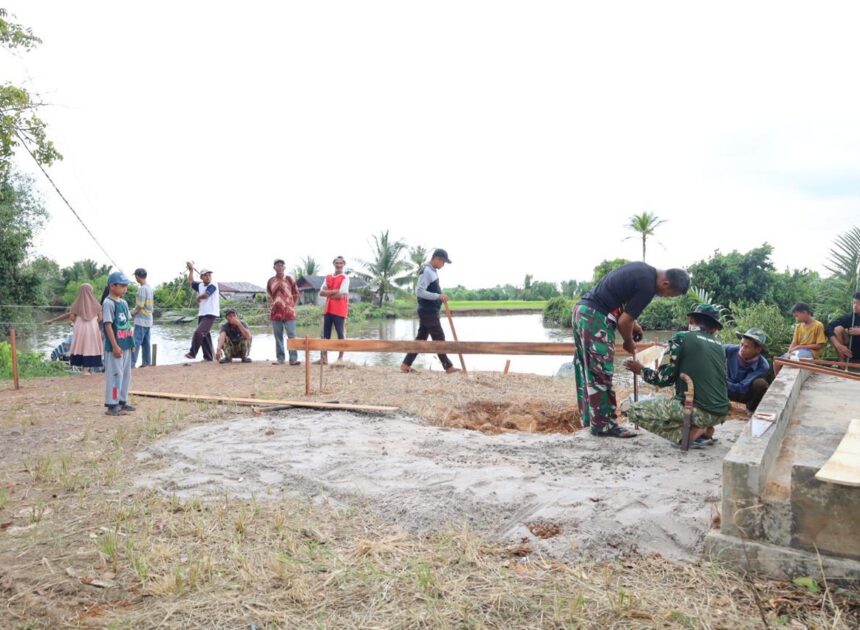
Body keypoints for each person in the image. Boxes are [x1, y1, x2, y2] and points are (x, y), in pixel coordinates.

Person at [573, 262, 690, 438]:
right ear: (666, 283)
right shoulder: (648, 287)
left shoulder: (642, 270)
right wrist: (628, 342)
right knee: (601, 373)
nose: (665, 297)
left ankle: (592, 421)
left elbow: (621, 306)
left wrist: (634, 324)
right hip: (595, 318)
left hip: (582, 311)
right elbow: (623, 322)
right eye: (669, 295)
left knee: (589, 370)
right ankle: (605, 427)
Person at [624, 304, 730, 446]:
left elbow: (664, 380)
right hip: (721, 411)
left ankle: (691, 433)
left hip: (698, 411)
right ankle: (702, 428)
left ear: (691, 320)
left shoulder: (681, 338)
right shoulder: (719, 345)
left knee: (631, 409)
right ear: (714, 328)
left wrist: (641, 370)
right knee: (664, 400)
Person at [400, 248, 461, 374]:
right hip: (428, 311)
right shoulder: (427, 271)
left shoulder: (432, 271)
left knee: (421, 339)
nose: (443, 265)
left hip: (430, 310)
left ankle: (406, 364)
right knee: (439, 338)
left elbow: (431, 290)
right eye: (443, 262)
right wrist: (438, 296)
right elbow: (420, 291)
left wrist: (440, 295)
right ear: (437, 259)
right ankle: (448, 366)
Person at [45, 283, 104, 375]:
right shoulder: (96, 304)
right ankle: (87, 370)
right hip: (92, 327)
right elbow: (100, 318)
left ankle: (82, 368)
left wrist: (78, 320)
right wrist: (92, 321)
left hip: (80, 326)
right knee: (90, 346)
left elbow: (72, 317)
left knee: (80, 346)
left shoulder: (76, 304)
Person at [102, 272, 136, 416]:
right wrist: (115, 345)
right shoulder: (108, 303)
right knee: (115, 375)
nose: (125, 289)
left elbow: (128, 323)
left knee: (126, 374)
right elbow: (108, 325)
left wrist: (132, 342)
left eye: (126, 286)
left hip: (126, 343)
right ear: (112, 286)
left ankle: (122, 400)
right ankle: (112, 404)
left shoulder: (124, 303)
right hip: (115, 346)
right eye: (122, 286)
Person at [725, 327, 770, 411]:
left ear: (758, 349)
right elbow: (713, 351)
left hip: (745, 393)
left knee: (760, 384)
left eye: (747, 347)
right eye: (741, 344)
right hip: (726, 387)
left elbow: (742, 388)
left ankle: (751, 410)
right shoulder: (731, 349)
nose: (742, 349)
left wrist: (722, 383)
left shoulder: (763, 365)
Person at [316, 256, 350, 365]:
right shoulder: (328, 277)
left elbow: (341, 295)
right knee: (325, 335)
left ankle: (340, 359)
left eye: (341, 263)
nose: (339, 265)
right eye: (337, 263)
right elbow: (321, 292)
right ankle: (324, 358)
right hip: (328, 309)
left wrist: (328, 293)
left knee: (341, 334)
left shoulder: (345, 277)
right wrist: (335, 291)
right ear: (333, 264)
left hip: (340, 310)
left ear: (344, 264)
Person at [774, 302, 826, 375]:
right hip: (797, 351)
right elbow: (794, 342)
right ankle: (778, 383)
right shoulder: (798, 327)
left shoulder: (818, 325)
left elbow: (819, 345)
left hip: (810, 352)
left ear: (804, 312)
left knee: (790, 361)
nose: (796, 318)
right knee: (777, 362)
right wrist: (789, 352)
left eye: (797, 315)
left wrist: (800, 346)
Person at [266, 258, 300, 365]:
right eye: (277, 265)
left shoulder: (290, 279)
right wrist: (274, 304)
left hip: (289, 312)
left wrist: (290, 305)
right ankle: (280, 359)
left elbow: (296, 294)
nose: (279, 267)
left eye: (281, 265)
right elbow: (269, 295)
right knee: (278, 336)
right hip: (276, 312)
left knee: (291, 334)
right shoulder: (271, 281)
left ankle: (293, 359)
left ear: (284, 267)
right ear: (274, 267)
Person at [184, 263, 220, 361]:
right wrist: (191, 270)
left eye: (209, 275)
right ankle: (208, 357)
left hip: (210, 314)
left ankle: (192, 352)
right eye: (205, 275)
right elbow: (190, 281)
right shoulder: (200, 285)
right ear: (201, 277)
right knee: (205, 336)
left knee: (199, 332)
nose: (208, 277)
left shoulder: (213, 285)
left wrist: (198, 297)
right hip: (202, 314)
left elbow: (206, 295)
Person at [825, 292, 860, 364]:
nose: (855, 306)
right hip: (851, 351)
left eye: (858, 304)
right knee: (838, 329)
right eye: (854, 303)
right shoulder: (851, 317)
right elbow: (829, 327)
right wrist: (838, 346)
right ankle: (842, 364)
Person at [131, 267, 154, 368]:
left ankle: (131, 364)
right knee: (146, 343)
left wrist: (132, 313)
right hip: (149, 320)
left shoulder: (142, 289)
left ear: (137, 277)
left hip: (141, 320)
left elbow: (139, 305)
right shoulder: (149, 288)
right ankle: (146, 362)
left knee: (135, 342)